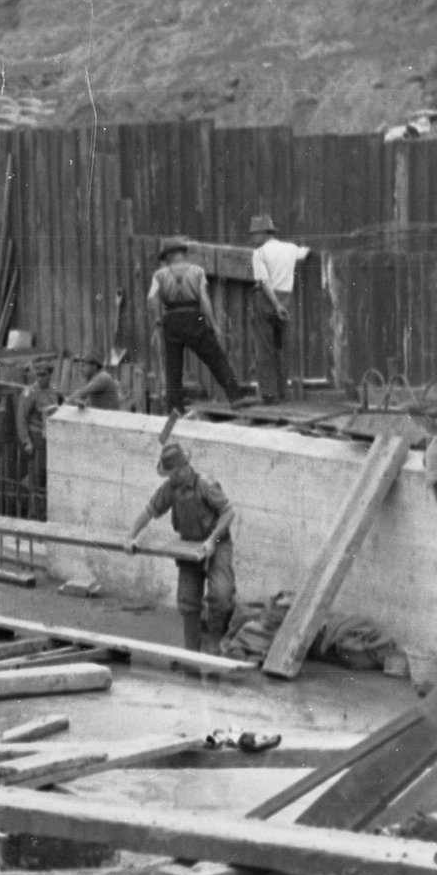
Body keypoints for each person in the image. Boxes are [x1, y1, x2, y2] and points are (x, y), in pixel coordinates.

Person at [124, 442, 237, 654]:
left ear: (183, 468)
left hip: (217, 543)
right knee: (187, 601)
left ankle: (213, 642)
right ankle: (191, 650)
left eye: (172, 473)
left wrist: (212, 540)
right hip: (189, 546)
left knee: (221, 595)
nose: (170, 478)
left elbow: (228, 512)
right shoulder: (171, 488)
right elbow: (150, 511)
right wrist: (131, 536)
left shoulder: (206, 483)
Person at [147, 237, 242, 414]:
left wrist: (156, 318)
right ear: (182, 253)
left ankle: (175, 408)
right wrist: (213, 324)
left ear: (169, 255)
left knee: (173, 367)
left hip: (171, 317)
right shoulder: (197, 271)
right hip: (193, 316)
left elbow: (151, 298)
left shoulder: (159, 275)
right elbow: (204, 300)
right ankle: (235, 397)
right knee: (215, 357)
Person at [247, 214, 311, 404]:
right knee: (281, 347)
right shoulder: (290, 249)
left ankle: (269, 394)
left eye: (254, 234)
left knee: (264, 348)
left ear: (262, 234)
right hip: (287, 298)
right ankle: (283, 391)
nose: (252, 238)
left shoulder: (259, 254)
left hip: (267, 299)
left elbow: (264, 281)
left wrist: (275, 305)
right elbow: (304, 252)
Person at [11, 360, 60, 511]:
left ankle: (46, 510)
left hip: (50, 438)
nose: (40, 378)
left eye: (44, 374)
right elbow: (21, 418)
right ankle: (34, 511)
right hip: (36, 437)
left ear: (50, 375)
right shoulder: (30, 392)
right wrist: (26, 441)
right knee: (36, 475)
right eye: (38, 374)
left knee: (49, 475)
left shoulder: (54, 391)